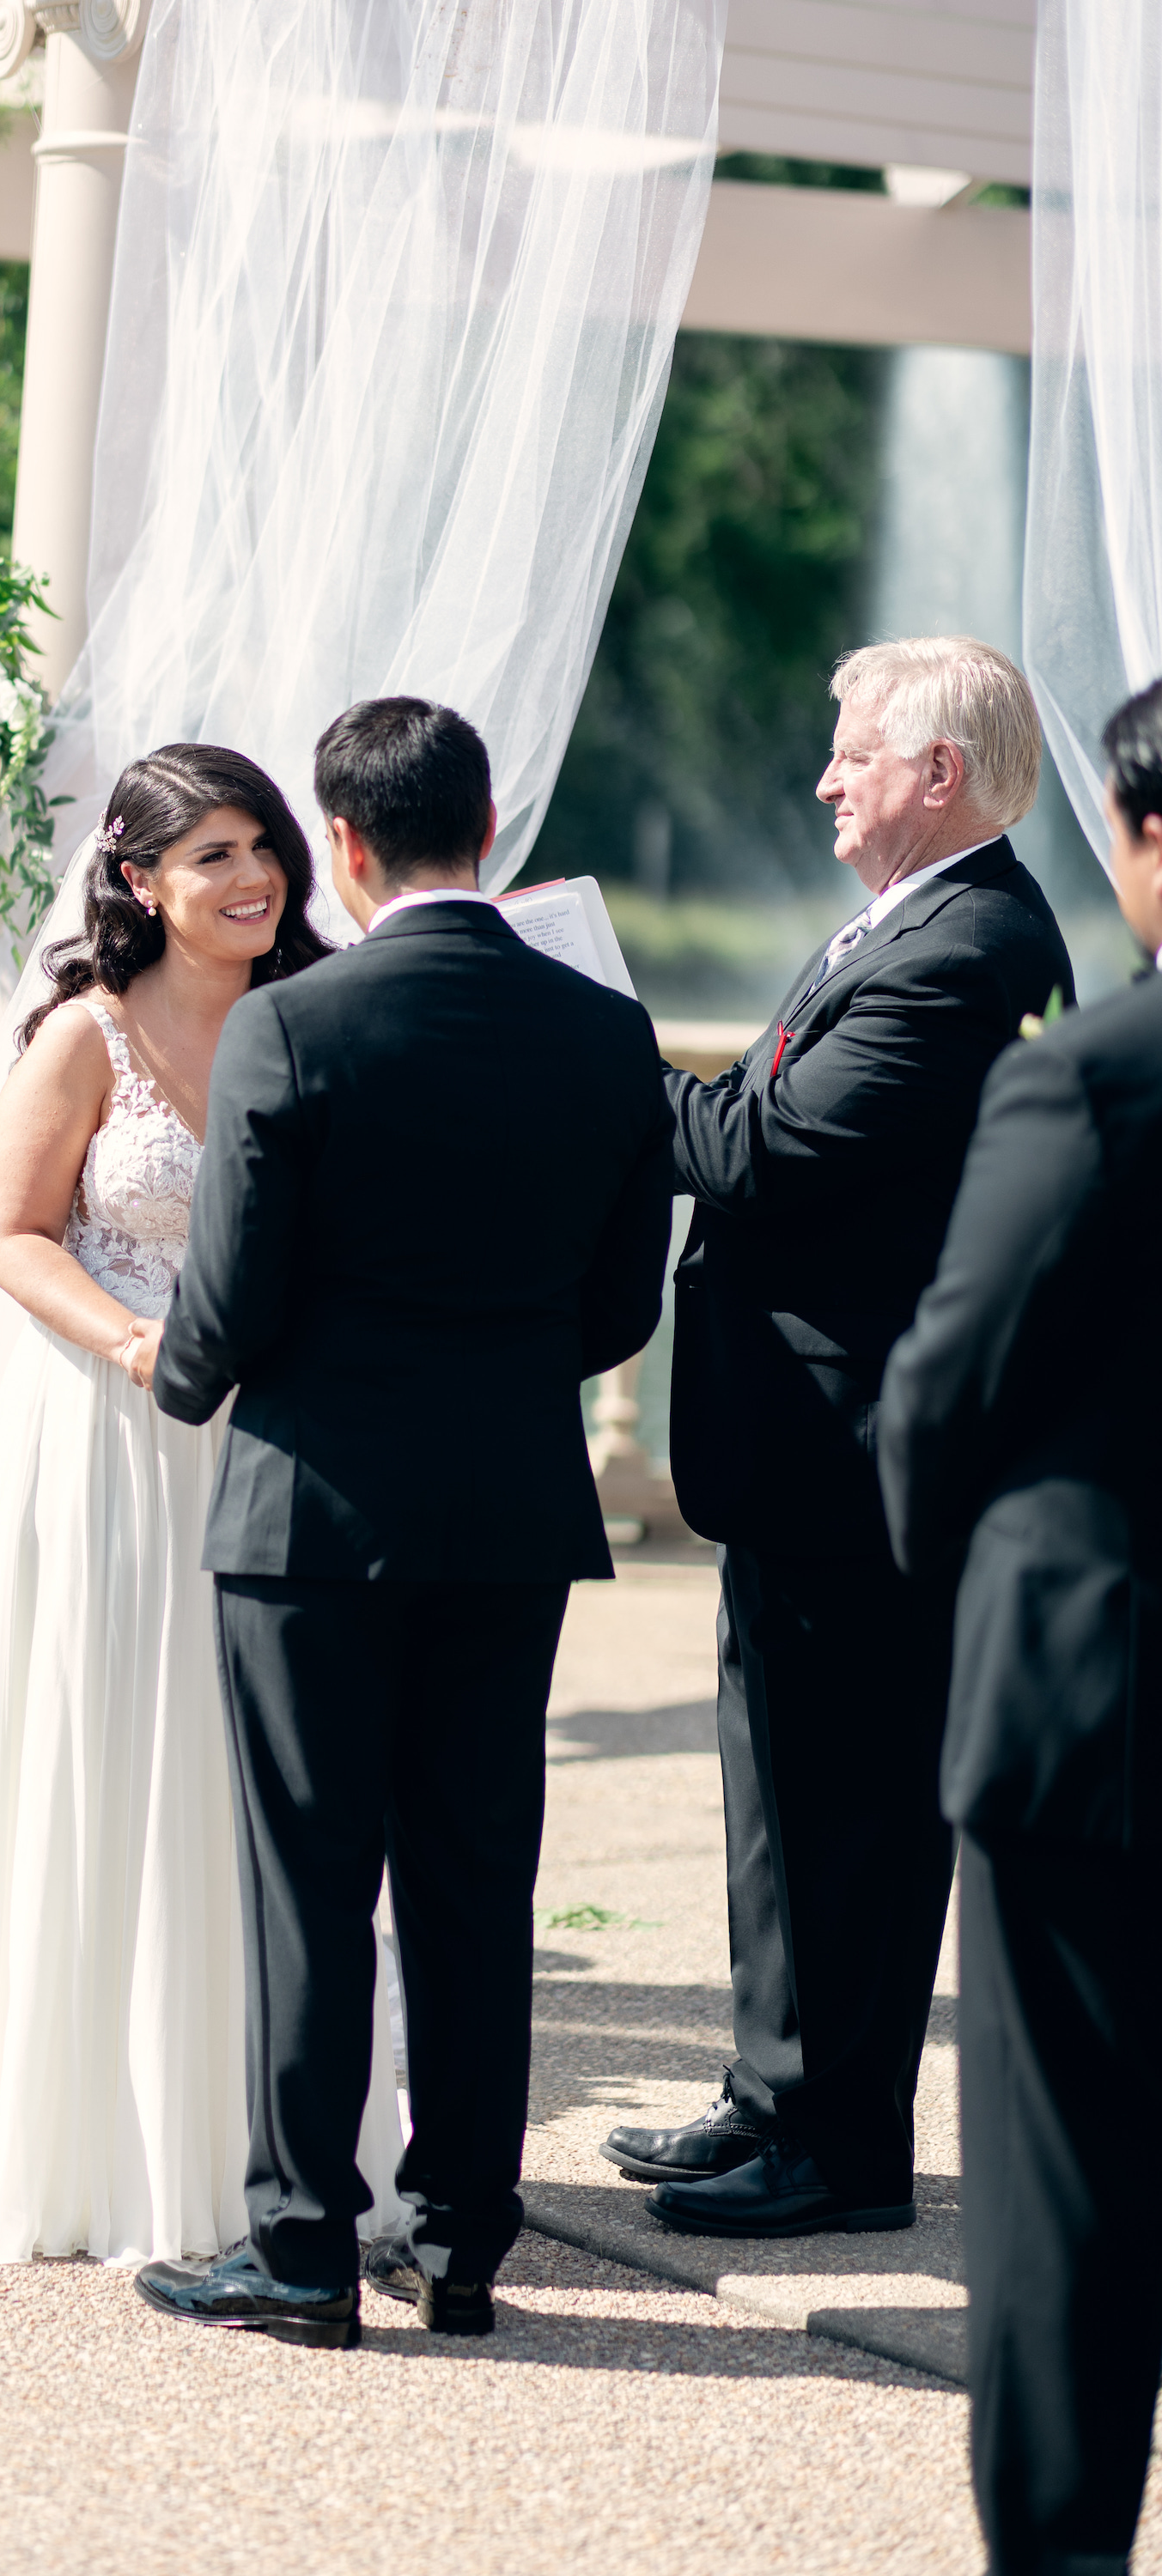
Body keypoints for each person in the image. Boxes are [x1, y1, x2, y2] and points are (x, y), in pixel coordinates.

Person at [132, 697, 673, 2350]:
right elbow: (617, 1306)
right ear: (488, 829)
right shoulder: (602, 1031)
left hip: (311, 1516)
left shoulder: (290, 1031)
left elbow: (224, 1307)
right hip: (510, 1509)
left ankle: (300, 2253)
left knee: (309, 1885)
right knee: (472, 1880)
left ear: (344, 847)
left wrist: (187, 1387)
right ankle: (460, 2248)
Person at [0, 741, 409, 2264]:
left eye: (264, 846)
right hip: (112, 1435)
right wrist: (136, 1342)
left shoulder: (322, 1014)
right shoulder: (85, 1034)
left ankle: (268, 2144)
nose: (249, 878)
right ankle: (93, 2137)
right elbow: (7, 1231)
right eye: (210, 853)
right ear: (141, 882)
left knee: (261, 1783)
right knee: (117, 1740)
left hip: (279, 1444)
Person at [604, 636, 1074, 2240]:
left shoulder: (966, 945)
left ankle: (842, 2150)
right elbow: (759, 1099)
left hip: (858, 1456)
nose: (823, 779)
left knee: (854, 1813)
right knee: (785, 1795)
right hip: (801, 1452)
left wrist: (599, 1059)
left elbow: (770, 1144)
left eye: (853, 754)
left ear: (938, 774)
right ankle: (774, 2096)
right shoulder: (915, 920)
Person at [878, 677, 1162, 2576]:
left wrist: (940, 1592)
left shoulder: (1089, 1077)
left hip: (1095, 1699)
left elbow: (942, 1394)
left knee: (1065, 2187)